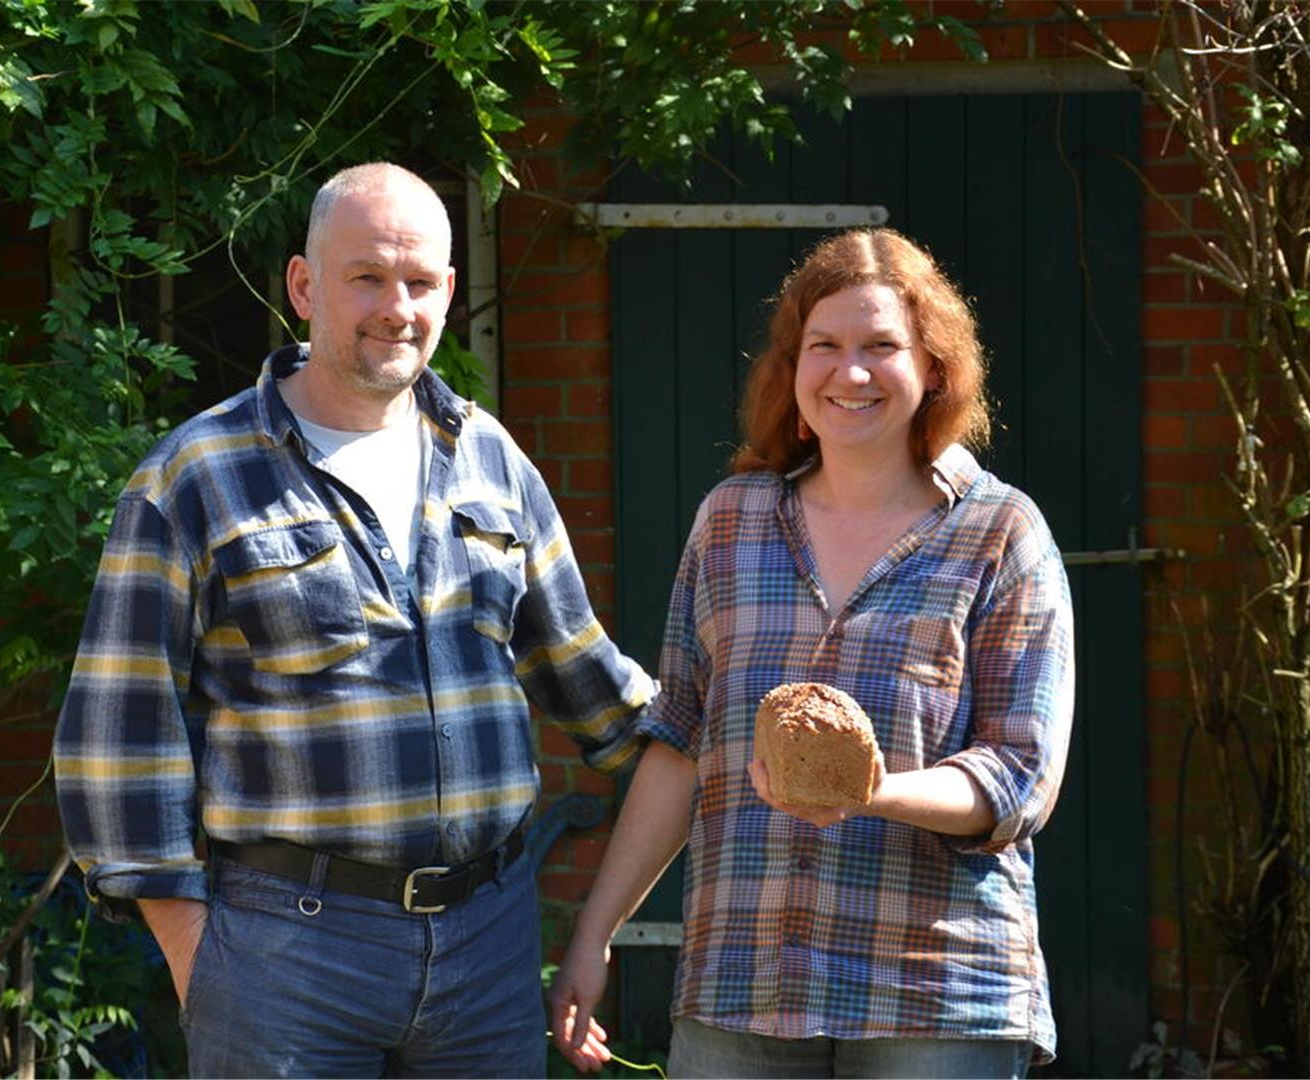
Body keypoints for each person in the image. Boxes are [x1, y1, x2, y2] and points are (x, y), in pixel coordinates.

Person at [54, 162, 653, 1078]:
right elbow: (115, 743)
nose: (396, 307)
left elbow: (596, 689)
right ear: (303, 285)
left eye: (419, 283)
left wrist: (742, 740)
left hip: (488, 945)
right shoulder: (195, 476)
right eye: (367, 277)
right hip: (288, 956)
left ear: (450, 291)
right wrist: (196, 958)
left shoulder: (489, 458)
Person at [548, 228, 1074, 1079]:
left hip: (933, 996)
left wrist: (873, 792)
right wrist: (594, 934)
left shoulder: (999, 533)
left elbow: (1020, 774)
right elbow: (680, 741)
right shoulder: (732, 522)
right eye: (824, 346)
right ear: (793, 367)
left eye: (881, 347)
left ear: (933, 367)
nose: (850, 372)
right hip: (742, 984)